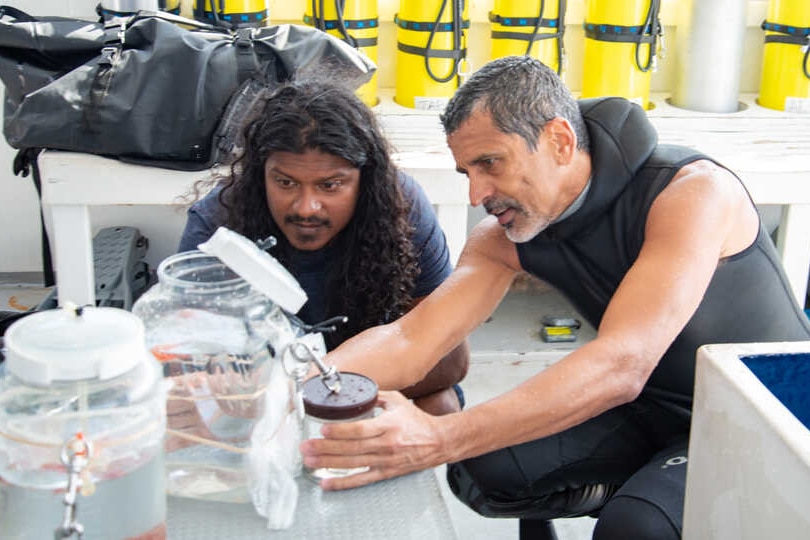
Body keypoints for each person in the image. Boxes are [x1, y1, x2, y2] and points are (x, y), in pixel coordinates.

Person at [299, 56, 810, 539]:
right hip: (649, 406)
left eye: (490, 163)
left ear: (560, 141)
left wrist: (439, 437)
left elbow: (622, 364)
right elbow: (411, 338)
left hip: (764, 416)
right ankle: (642, 489)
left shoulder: (691, 193)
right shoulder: (502, 238)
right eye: (468, 173)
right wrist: (289, 388)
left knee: (637, 527)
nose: (477, 195)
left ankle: (654, 503)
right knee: (486, 470)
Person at [178, 79, 469, 415]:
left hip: (362, 386)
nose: (306, 207)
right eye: (285, 182)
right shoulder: (217, 224)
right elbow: (182, 362)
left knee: (440, 405)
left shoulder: (402, 210)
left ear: (364, 181)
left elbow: (450, 363)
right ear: (261, 175)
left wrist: (319, 387)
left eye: (330, 186)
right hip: (262, 401)